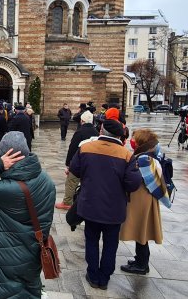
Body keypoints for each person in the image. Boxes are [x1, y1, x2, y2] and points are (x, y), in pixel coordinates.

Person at [0, 132, 55, 298]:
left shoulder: (8, 189)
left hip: (4, 257)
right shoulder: (46, 180)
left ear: (6, 155)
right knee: (28, 291)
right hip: (32, 253)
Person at [69, 118, 141, 290]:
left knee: (91, 241)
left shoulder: (85, 148)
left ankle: (93, 276)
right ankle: (104, 278)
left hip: (90, 205)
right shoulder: (126, 154)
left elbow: (74, 169)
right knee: (111, 244)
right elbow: (133, 184)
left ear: (102, 132)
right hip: (114, 209)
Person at [120, 129, 171, 275]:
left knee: (141, 230)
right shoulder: (151, 154)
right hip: (145, 198)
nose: (133, 141)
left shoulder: (144, 159)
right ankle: (139, 260)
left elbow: (138, 179)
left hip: (142, 198)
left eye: (135, 139)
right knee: (141, 230)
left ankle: (142, 264)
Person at [56, 110, 99, 210]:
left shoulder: (80, 132)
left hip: (79, 162)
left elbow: (72, 148)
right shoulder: (96, 132)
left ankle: (67, 202)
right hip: (92, 163)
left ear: (82, 121)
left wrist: (68, 164)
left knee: (71, 182)